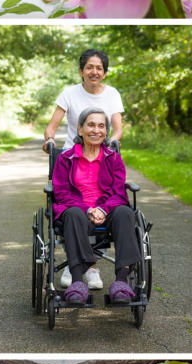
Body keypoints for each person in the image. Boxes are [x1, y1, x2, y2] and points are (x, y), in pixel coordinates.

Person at [50, 108, 140, 298]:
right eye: (91, 125)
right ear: (80, 129)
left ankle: (121, 282)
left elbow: (118, 192)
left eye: (101, 126)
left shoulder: (113, 158)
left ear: (106, 132)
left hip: (107, 211)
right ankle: (77, 282)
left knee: (125, 213)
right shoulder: (65, 159)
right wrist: (88, 209)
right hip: (76, 212)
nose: (96, 130)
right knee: (74, 214)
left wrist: (101, 209)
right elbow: (62, 193)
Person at [43, 48, 124, 153]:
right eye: (89, 67)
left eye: (99, 68)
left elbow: (118, 130)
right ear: (81, 71)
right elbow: (51, 128)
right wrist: (50, 139)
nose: (94, 72)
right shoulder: (69, 93)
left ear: (104, 74)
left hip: (102, 154)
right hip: (72, 154)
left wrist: (113, 141)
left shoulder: (113, 94)